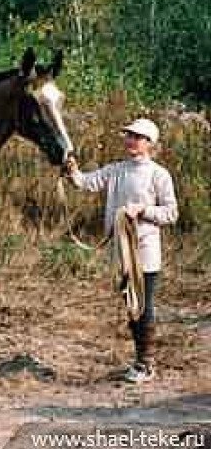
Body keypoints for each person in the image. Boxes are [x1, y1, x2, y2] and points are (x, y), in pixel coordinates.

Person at [64, 118, 178, 383]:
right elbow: (85, 182)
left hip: (146, 252)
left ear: (149, 143)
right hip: (121, 251)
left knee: (143, 306)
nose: (130, 140)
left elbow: (171, 213)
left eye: (137, 136)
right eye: (128, 135)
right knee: (131, 305)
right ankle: (139, 361)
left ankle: (145, 364)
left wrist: (143, 211)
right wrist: (71, 170)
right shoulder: (116, 170)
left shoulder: (158, 174)